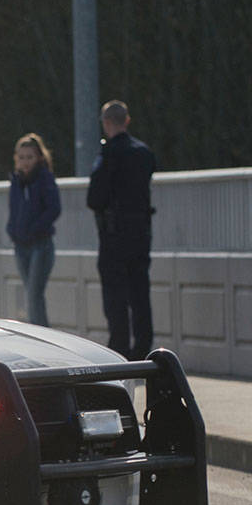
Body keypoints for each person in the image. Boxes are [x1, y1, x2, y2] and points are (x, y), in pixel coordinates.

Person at [86, 100, 156, 359]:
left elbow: (94, 199)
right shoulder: (143, 152)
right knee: (140, 291)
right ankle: (143, 346)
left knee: (115, 295)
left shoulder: (108, 154)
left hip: (114, 234)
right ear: (127, 121)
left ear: (106, 123)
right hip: (141, 232)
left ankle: (120, 348)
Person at [6, 133, 61, 327]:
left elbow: (54, 208)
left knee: (34, 295)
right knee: (31, 293)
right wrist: (12, 230)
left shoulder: (44, 178)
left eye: (29, 157)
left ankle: (41, 335)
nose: (25, 162)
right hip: (21, 245)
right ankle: (39, 331)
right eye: (21, 158)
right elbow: (13, 210)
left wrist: (35, 229)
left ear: (39, 157)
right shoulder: (16, 181)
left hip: (40, 244)